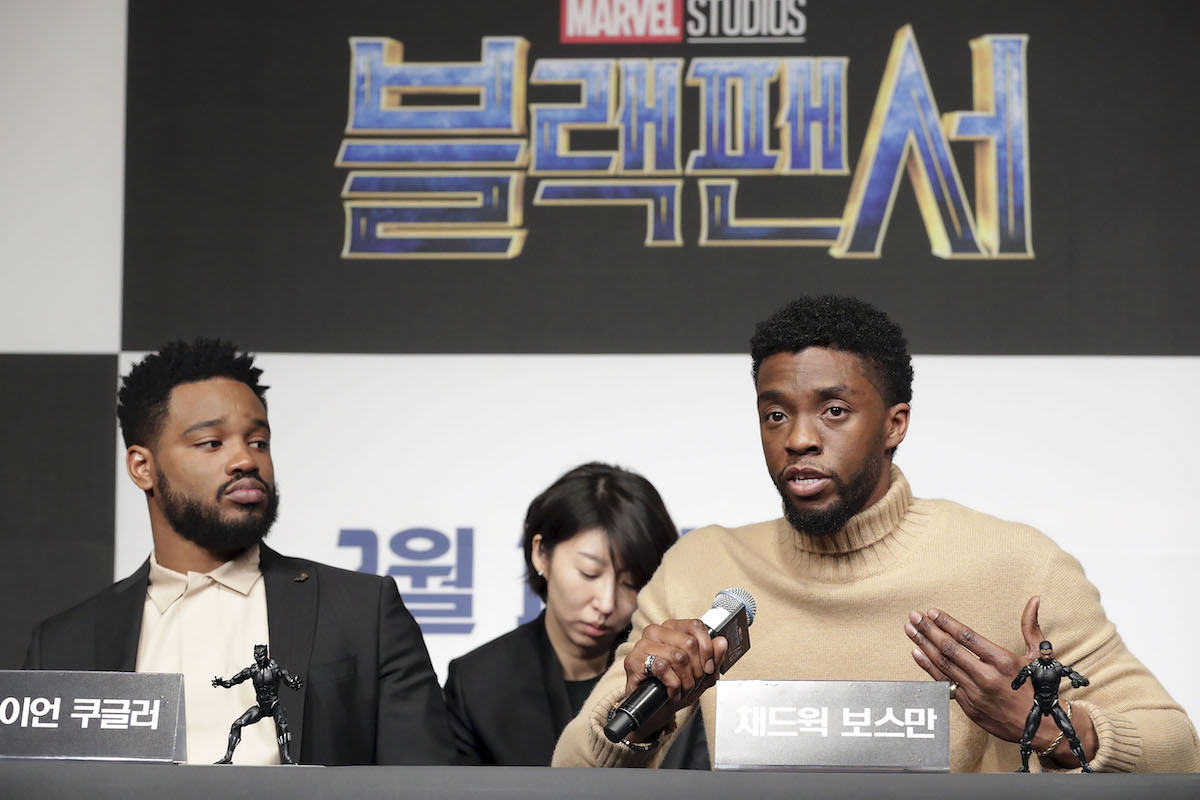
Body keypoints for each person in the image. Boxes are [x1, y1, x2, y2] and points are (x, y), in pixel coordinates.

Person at [552, 295, 1199, 772]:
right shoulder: (704, 566)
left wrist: (1046, 726)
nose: (798, 438)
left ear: (895, 424)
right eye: (775, 414)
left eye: (834, 410)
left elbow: (1178, 751)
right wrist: (647, 707)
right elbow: (571, 772)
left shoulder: (1014, 563)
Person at [23, 339, 454, 766]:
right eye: (212, 443)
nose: (245, 460)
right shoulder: (64, 645)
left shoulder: (363, 610)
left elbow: (426, 785)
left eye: (259, 442)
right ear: (143, 467)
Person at [443, 462, 708, 767]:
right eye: (589, 572)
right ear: (541, 554)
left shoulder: (678, 674)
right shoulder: (477, 682)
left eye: (631, 583)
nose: (606, 603)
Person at [1012, 640, 1092, 772]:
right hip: (1038, 704)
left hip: (1053, 704)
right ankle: (1025, 767)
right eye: (1044, 654)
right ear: (1040, 652)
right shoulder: (1033, 667)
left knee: (1071, 733)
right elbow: (1015, 686)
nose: (1046, 657)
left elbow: (1081, 679)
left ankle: (1085, 765)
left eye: (1049, 654)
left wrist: (1078, 681)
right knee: (1027, 737)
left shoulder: (1058, 667)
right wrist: (1022, 675)